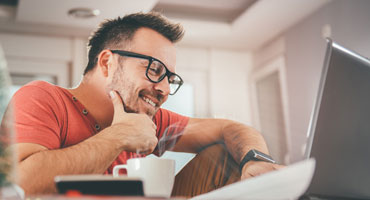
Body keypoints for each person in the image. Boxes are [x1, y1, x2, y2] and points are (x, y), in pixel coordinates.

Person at [1, 12, 282, 195]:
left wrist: (256, 160)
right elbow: (18, 184)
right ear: (107, 62)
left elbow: (231, 129)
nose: (164, 89)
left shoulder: (149, 121)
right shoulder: (44, 98)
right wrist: (119, 137)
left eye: (170, 78)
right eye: (155, 70)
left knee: (228, 155)